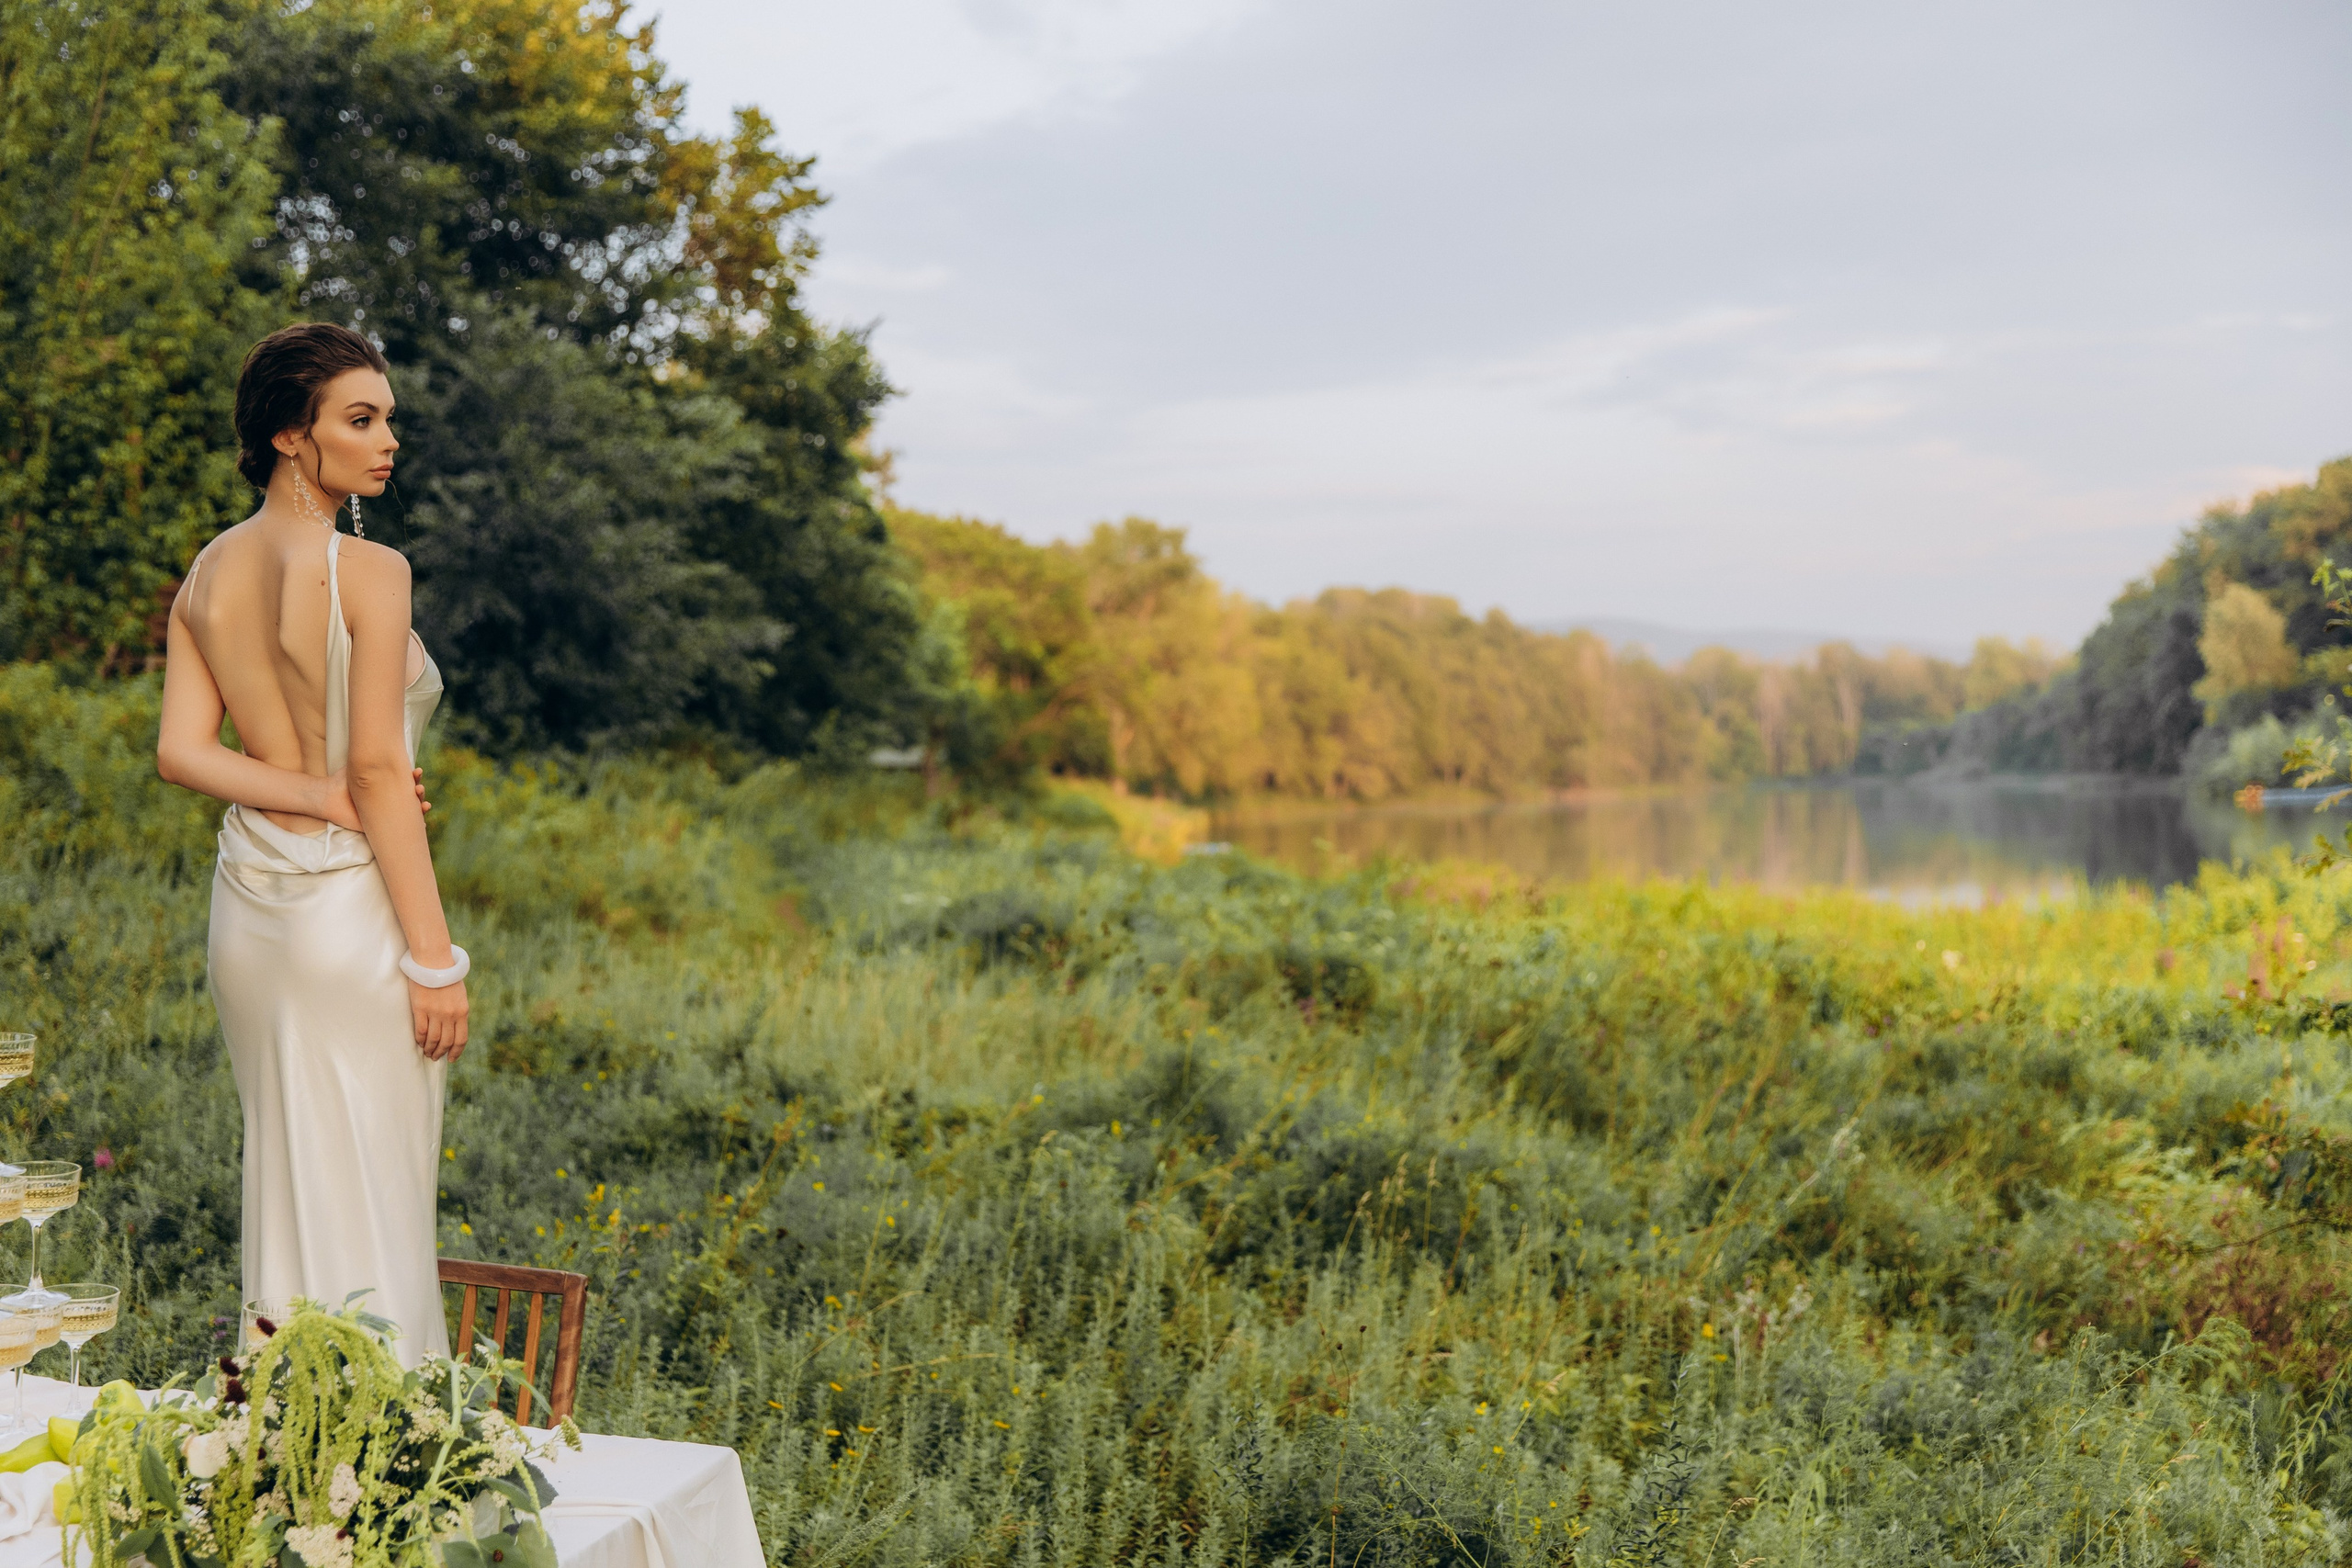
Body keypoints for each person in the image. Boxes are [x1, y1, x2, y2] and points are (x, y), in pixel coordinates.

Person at [155, 322, 463, 1365]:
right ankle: (384, 1467)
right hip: (347, 915)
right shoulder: (369, 571)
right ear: (293, 435)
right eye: (360, 419)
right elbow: (378, 774)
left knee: (286, 1179)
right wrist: (435, 957)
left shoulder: (207, 572)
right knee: (375, 1196)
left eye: (388, 420)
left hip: (249, 912)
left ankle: (286, 1449)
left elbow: (184, 753)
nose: (386, 441)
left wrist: (309, 793)